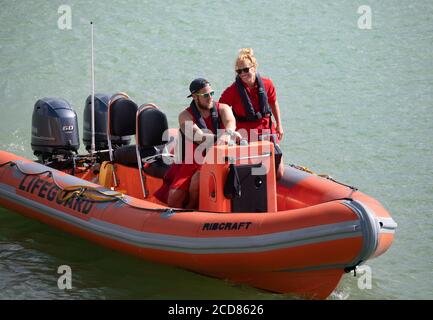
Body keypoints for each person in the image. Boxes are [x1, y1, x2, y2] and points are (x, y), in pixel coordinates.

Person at [155, 78, 240, 209]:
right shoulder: (184, 116)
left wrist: (228, 133)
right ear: (195, 97)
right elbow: (199, 137)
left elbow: (230, 122)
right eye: (205, 95)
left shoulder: (223, 108)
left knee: (198, 179)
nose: (210, 98)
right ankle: (189, 214)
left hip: (219, 159)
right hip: (192, 161)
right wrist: (221, 138)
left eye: (212, 93)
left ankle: (196, 209)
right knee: (174, 199)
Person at [219, 48, 285, 179]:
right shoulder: (232, 91)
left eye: (246, 70)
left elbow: (273, 102)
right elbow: (221, 108)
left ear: (254, 68)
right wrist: (226, 133)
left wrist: (279, 125)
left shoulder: (267, 84)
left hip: (267, 130)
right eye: (239, 71)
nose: (242, 74)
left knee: (278, 172)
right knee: (253, 172)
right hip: (245, 135)